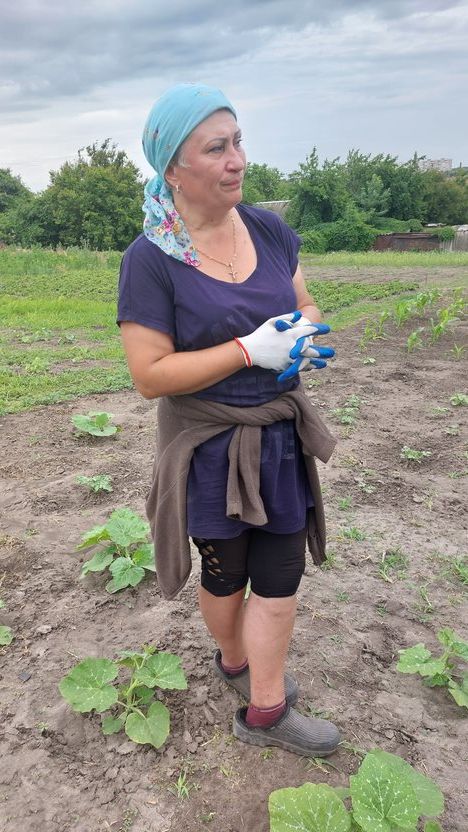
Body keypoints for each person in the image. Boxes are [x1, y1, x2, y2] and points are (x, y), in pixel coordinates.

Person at [117, 83, 340, 757]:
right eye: (216, 148)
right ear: (174, 170)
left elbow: (306, 302)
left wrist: (304, 335)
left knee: (279, 576)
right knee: (225, 577)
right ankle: (234, 659)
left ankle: (265, 709)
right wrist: (247, 349)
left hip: (278, 436)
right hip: (210, 445)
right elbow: (149, 374)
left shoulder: (269, 229)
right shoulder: (151, 260)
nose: (236, 160)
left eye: (238, 142)